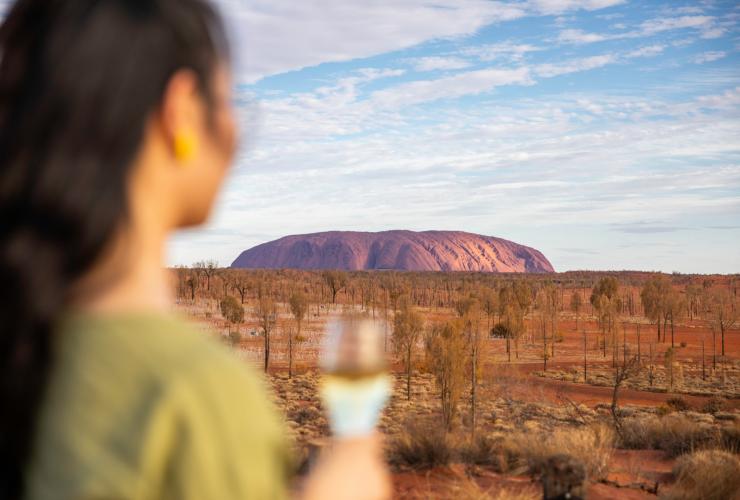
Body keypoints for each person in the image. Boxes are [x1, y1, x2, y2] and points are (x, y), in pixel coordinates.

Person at [0, 1, 391, 499]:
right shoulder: (196, 395)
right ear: (180, 110)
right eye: (229, 103)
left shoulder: (26, 343)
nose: (232, 133)